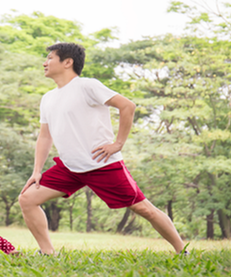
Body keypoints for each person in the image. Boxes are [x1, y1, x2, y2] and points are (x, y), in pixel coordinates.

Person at [19, 43, 186, 255]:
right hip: (70, 167)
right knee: (27, 199)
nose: (45, 62)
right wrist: (36, 172)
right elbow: (44, 136)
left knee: (143, 208)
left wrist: (118, 144)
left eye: (50, 58)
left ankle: (183, 251)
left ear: (67, 62)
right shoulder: (48, 98)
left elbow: (128, 106)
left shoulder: (87, 86)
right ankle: (47, 253)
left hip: (101, 164)